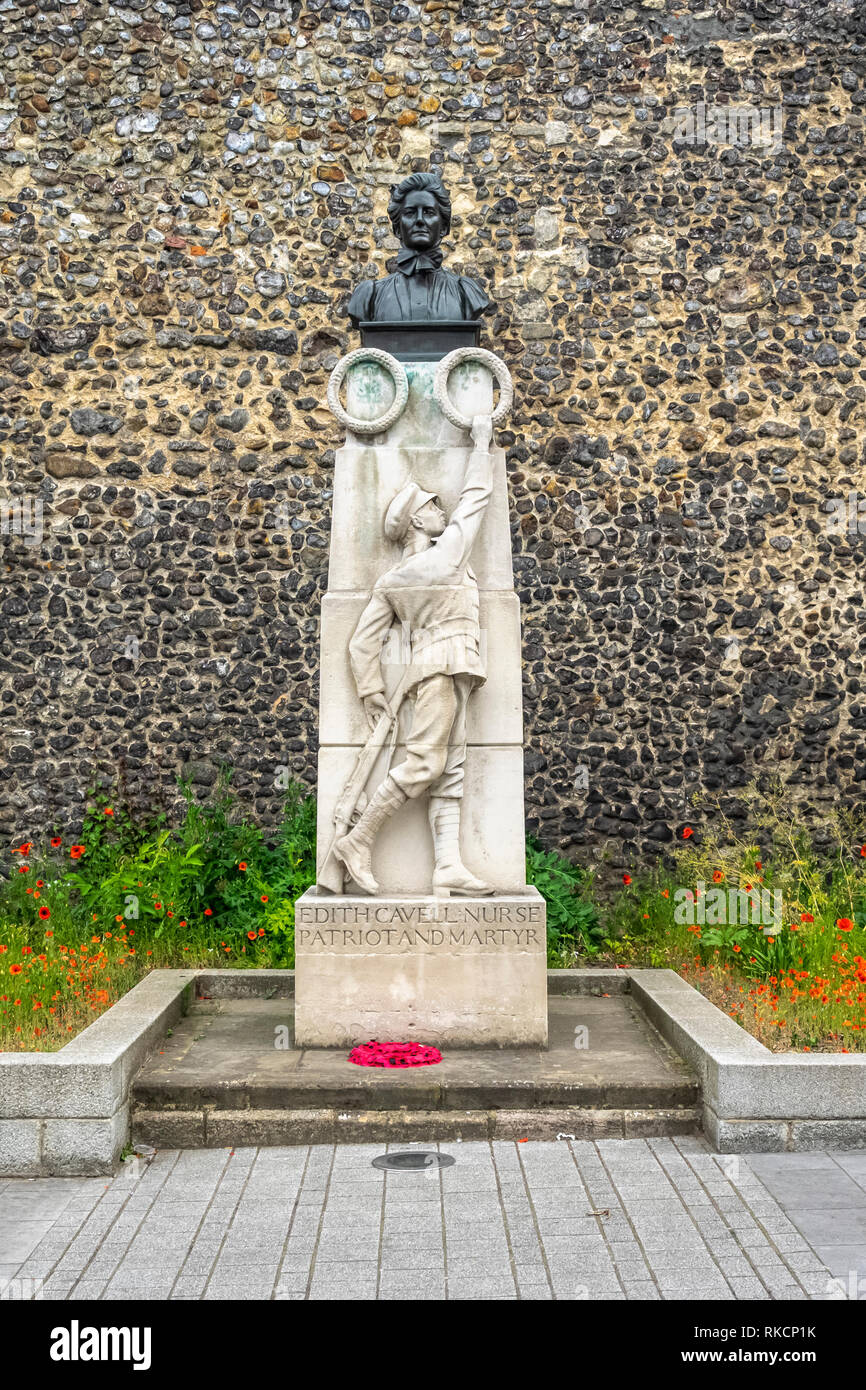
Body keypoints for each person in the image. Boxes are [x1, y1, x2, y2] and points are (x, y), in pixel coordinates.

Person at [334, 413, 495, 897]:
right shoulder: (445, 557)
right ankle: (357, 840)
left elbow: (362, 643)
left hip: (451, 669)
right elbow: (475, 500)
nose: (440, 508)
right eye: (431, 505)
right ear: (417, 521)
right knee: (427, 763)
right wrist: (481, 445)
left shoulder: (392, 580)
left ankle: (447, 864)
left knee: (450, 768)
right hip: (442, 667)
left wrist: (372, 692)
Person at [346, 171, 491, 326]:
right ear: (397, 229)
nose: (420, 220)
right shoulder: (370, 295)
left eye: (428, 212)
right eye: (410, 213)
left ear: (443, 227)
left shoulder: (467, 293)